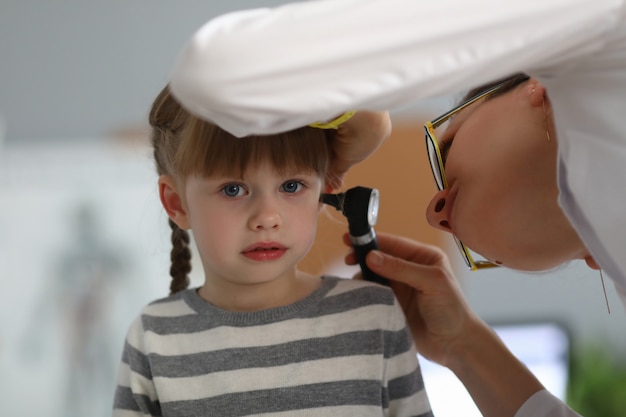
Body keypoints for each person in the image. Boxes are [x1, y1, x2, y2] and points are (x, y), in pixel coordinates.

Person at [164, 1, 626, 416]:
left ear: (536, 84)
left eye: (444, 148)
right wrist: (461, 344)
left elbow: (215, 67)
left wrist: (364, 121)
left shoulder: (603, 43)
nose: (435, 212)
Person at [111, 85, 433, 417]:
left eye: (291, 186)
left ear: (323, 187)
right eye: (233, 189)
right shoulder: (154, 335)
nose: (267, 217)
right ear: (177, 203)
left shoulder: (373, 314)